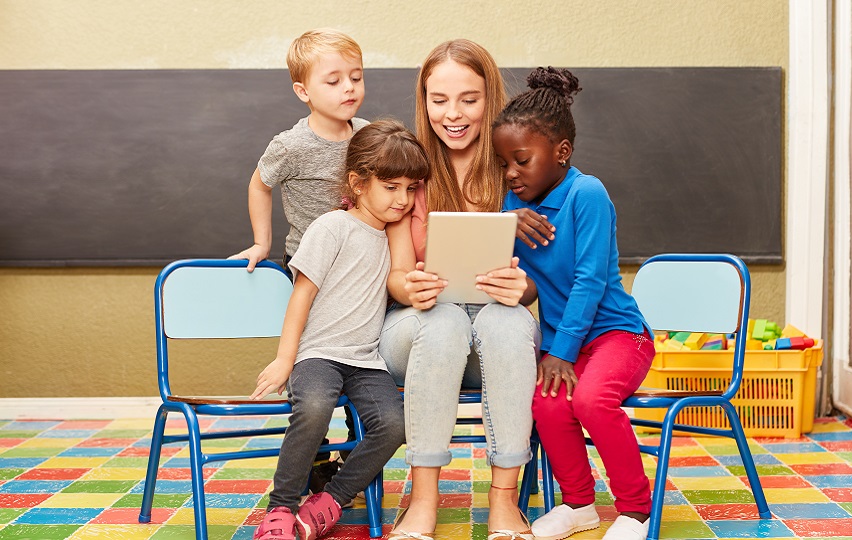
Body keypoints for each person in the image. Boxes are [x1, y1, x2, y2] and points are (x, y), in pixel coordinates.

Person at [380, 40, 552, 540]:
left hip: (490, 338)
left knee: (510, 320)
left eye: (469, 99)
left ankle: (504, 500)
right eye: (439, 100)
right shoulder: (407, 167)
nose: (452, 114)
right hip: (415, 331)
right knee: (445, 319)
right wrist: (410, 287)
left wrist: (522, 289)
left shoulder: (514, 169)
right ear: (424, 100)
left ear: (490, 98)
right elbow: (395, 273)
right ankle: (423, 499)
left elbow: (538, 282)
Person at [494, 67, 656, 540]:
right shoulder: (513, 207)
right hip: (567, 342)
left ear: (561, 153)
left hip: (618, 335)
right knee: (546, 406)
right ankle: (579, 505)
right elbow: (507, 272)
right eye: (504, 162)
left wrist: (559, 351)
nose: (511, 173)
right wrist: (504, 222)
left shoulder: (588, 193)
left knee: (590, 399)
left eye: (522, 160)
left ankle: (636, 510)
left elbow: (588, 282)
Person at [250, 120, 427, 540]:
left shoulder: (393, 235)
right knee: (312, 408)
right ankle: (281, 508)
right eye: (391, 187)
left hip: (367, 361)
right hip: (318, 355)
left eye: (410, 188)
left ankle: (330, 500)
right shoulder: (332, 227)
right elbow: (301, 296)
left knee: (396, 424)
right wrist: (284, 359)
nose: (403, 199)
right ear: (358, 183)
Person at [228, 28, 368, 496]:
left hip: (362, 267)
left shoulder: (368, 136)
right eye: (334, 81)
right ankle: (314, 454)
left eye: (355, 77)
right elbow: (258, 184)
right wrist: (260, 242)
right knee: (315, 367)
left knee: (360, 360)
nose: (348, 88)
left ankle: (353, 451)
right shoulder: (290, 145)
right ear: (303, 92)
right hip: (310, 267)